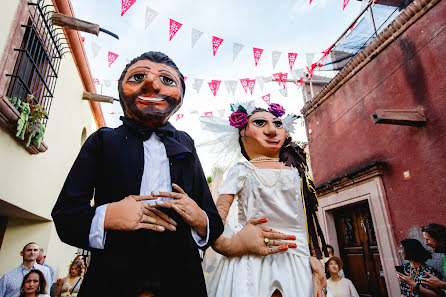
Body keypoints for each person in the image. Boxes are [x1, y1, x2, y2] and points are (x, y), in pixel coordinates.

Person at [51, 51, 224, 297]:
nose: (152, 84)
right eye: (138, 76)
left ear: (181, 98)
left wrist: (199, 218)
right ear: (121, 89)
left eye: (167, 80)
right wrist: (108, 215)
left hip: (180, 280)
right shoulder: (103, 140)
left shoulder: (186, 142)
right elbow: (65, 216)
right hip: (112, 280)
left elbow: (214, 224)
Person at [203, 102, 329, 297]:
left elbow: (307, 221)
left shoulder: (297, 171)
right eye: (260, 123)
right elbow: (217, 219)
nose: (272, 130)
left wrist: (314, 258)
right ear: (242, 132)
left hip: (296, 261)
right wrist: (230, 246)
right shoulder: (241, 171)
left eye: (278, 124)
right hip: (249, 261)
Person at [421, 224, 446, 292]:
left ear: (439, 239)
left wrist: (441, 284)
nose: (425, 243)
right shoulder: (444, 257)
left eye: (427, 239)